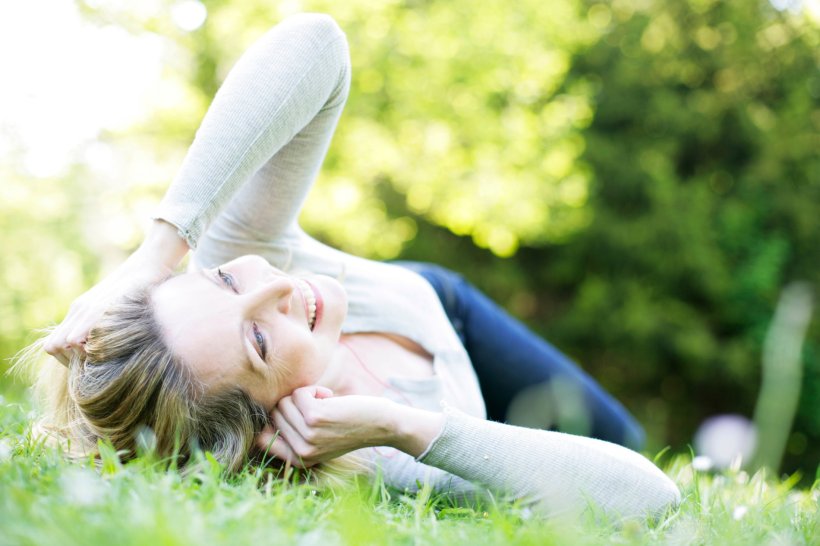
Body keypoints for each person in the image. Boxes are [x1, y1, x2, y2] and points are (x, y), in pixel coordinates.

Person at [31, 13, 679, 519]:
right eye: (258, 340)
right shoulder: (372, 454)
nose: (279, 286)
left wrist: (156, 256)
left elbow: (317, 44)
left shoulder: (249, 254)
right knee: (627, 441)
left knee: (621, 426)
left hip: (442, 303)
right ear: (262, 429)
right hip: (454, 404)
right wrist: (405, 426)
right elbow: (650, 498)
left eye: (225, 278)